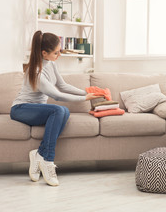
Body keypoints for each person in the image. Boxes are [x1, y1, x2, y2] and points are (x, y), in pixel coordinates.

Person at [10, 31, 102, 186]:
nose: (59, 55)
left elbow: (63, 85)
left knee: (64, 111)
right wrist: (84, 99)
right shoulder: (36, 71)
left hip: (37, 108)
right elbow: (57, 95)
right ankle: (47, 160)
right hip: (21, 108)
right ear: (44, 53)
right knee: (59, 110)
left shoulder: (51, 64)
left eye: (60, 51)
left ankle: (39, 154)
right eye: (56, 53)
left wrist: (87, 92)